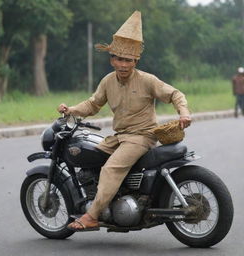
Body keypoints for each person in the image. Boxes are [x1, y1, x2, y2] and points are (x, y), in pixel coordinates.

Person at [58, 11, 192, 231]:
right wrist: (70, 110)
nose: (122, 64)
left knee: (110, 170)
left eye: (128, 60)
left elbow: (175, 94)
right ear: (112, 59)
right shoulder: (108, 81)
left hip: (142, 137)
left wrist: (184, 112)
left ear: (135, 61)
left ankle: (91, 216)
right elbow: (92, 105)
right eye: (118, 59)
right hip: (119, 138)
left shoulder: (147, 80)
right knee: (91, 158)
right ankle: (111, 200)